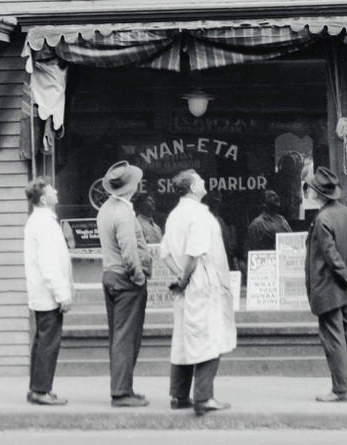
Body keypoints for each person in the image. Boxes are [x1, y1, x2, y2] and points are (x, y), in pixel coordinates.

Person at [160, 169, 237, 416]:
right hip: (202, 283)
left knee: (183, 338)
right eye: (200, 181)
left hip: (187, 283)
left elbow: (165, 254)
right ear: (193, 188)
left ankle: (179, 395)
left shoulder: (174, 215)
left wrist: (179, 276)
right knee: (209, 337)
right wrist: (185, 279)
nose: (204, 182)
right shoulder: (199, 215)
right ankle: (204, 398)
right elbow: (195, 252)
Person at [303, 166, 347, 403]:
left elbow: (332, 259)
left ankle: (340, 390)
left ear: (318, 194)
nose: (309, 193)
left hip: (328, 289)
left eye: (311, 190)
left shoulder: (323, 219)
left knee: (334, 339)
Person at [96, 160, 153, 407]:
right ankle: (121, 392)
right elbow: (129, 252)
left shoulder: (106, 209)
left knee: (119, 335)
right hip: (125, 279)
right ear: (131, 186)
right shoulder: (123, 213)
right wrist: (139, 277)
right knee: (126, 337)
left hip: (110, 275)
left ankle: (124, 387)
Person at [23, 177, 74, 406]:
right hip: (48, 294)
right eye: (51, 189)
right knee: (48, 343)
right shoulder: (44, 223)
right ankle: (41, 390)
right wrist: (62, 294)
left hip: (42, 293)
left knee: (41, 341)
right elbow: (49, 263)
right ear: (43, 199)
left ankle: (36, 388)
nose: (56, 190)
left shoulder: (38, 221)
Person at [245, 189, 292, 254]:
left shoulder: (282, 219)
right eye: (271, 196)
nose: (276, 198)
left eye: (276, 195)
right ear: (264, 203)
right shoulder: (257, 224)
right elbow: (250, 251)